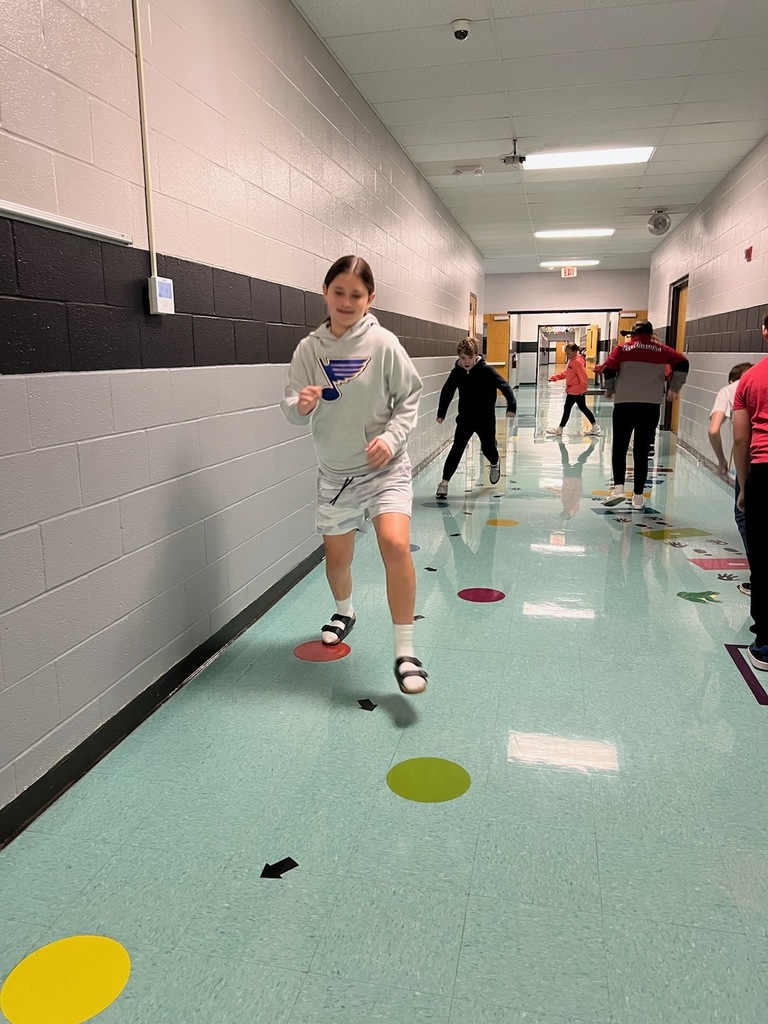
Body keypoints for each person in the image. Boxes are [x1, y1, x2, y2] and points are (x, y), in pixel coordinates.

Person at [280, 255, 427, 695]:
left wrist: (393, 437)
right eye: (338, 292)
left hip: (384, 468)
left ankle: (405, 652)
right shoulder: (310, 349)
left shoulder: (383, 344)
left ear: (370, 299)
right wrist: (300, 405)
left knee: (395, 544)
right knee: (338, 560)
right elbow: (290, 408)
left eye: (356, 294)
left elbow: (410, 398)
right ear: (326, 293)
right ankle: (346, 611)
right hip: (335, 474)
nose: (346, 301)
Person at [600, 320, 689, 510]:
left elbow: (608, 368)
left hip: (625, 404)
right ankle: (639, 498)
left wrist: (610, 388)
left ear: (634, 334)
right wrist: (674, 387)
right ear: (650, 334)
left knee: (620, 447)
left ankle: (618, 489)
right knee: (642, 451)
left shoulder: (622, 349)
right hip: (650, 406)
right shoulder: (662, 350)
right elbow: (682, 362)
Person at [434, 336, 516, 499]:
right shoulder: (457, 372)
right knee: (457, 448)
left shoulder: (486, 371)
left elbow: (505, 387)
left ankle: (494, 462)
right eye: (463, 358)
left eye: (470, 357)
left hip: (485, 419)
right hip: (465, 418)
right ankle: (444, 482)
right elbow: (447, 391)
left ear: (476, 355)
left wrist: (511, 406)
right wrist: (441, 412)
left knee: (488, 449)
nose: (466, 362)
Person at [732, 310, 768, 670]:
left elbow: (741, 437)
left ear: (764, 331)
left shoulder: (751, 379)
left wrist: (743, 487)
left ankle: (766, 643)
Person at [708, 362, 752, 595]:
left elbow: (714, 429)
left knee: (744, 516)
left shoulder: (731, 390)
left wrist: (722, 461)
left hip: (754, 460)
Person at [546, 343, 600, 436]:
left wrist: (582, 390)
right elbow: (566, 373)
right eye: (566, 353)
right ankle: (595, 427)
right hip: (572, 390)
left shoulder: (578, 362)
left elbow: (583, 377)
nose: (567, 355)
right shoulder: (571, 361)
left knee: (568, 409)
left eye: (569, 353)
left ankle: (560, 428)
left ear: (575, 351)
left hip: (576, 391)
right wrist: (554, 377)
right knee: (581, 408)